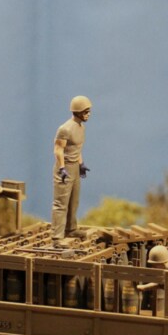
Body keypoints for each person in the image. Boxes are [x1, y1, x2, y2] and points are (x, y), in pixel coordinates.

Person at [51, 96, 92, 242]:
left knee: (74, 201)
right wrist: (62, 168)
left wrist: (81, 164)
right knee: (61, 203)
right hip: (65, 168)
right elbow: (58, 150)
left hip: (74, 167)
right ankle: (57, 237)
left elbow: (77, 148)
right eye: (86, 111)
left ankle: (71, 229)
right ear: (78, 111)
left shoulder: (81, 128)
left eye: (89, 111)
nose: (88, 114)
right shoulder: (65, 129)